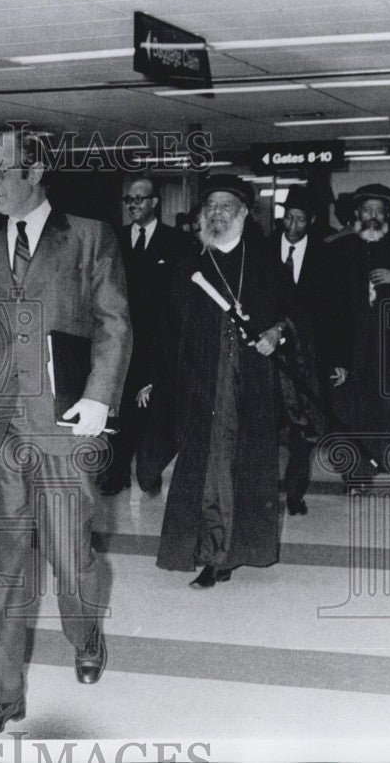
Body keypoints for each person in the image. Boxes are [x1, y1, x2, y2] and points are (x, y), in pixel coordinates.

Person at [0, 130, 132, 738]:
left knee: (70, 555)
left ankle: (85, 633)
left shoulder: (88, 237)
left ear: (37, 169)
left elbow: (113, 323)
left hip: (64, 427)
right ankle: (1, 695)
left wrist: (100, 398)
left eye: (2, 172)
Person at [152, 175, 307, 588]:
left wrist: (277, 333)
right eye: (211, 208)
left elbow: (294, 314)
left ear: (243, 213)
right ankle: (212, 552)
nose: (217, 214)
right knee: (209, 464)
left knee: (244, 465)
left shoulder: (266, 263)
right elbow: (169, 330)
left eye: (226, 207)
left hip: (252, 385)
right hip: (202, 385)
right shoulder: (190, 266)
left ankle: (230, 551)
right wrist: (157, 380)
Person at [99, 175, 191, 496]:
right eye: (129, 200)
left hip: (159, 342)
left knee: (153, 410)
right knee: (121, 408)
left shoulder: (176, 242)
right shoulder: (115, 240)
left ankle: (149, 471)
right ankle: (116, 472)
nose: (133, 205)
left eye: (140, 199)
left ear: (155, 202)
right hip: (123, 339)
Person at [329, 183, 390, 478]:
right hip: (350, 345)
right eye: (367, 209)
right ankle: (355, 469)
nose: (373, 215)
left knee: (387, 403)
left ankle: (385, 462)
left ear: (387, 214)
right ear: (357, 213)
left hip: (388, 345)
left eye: (379, 210)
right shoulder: (340, 250)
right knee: (351, 406)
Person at [274, 185, 347, 516]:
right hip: (269, 354)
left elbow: (338, 314)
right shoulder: (261, 250)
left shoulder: (328, 257)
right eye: (287, 217)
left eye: (299, 219)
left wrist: (341, 361)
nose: (292, 226)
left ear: (312, 221)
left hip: (310, 356)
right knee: (268, 423)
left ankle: (294, 491)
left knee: (302, 426)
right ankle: (264, 489)